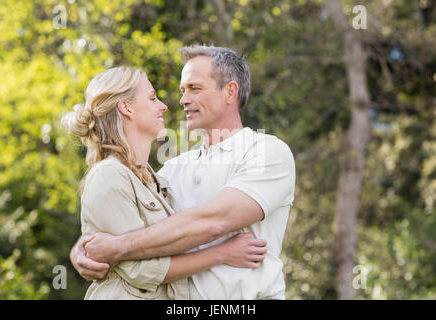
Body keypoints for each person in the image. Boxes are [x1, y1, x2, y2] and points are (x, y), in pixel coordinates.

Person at [70, 45, 296, 299]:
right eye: (182, 90)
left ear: (230, 91)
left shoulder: (266, 152)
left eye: (195, 89)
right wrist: (85, 248)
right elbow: (131, 225)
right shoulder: (169, 172)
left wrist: (115, 248)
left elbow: (213, 222)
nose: (182, 100)